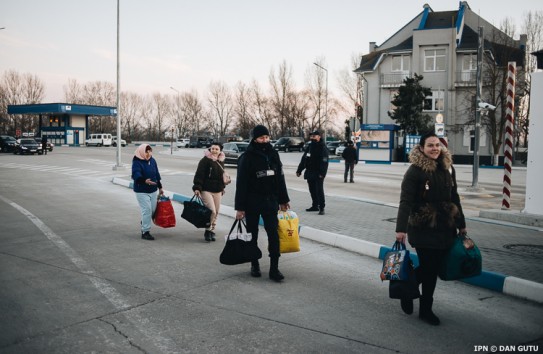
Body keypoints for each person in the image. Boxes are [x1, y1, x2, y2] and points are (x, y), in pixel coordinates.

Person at [395, 132, 467, 326]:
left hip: (445, 228)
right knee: (429, 269)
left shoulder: (447, 168)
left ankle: (406, 290)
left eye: (437, 145)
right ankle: (425, 310)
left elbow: (455, 197)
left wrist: (462, 224)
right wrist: (400, 229)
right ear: (421, 148)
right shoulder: (414, 171)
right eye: (430, 145)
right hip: (423, 227)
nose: (435, 148)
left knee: (431, 269)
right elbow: (405, 201)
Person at [235, 125, 290, 282]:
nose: (265, 140)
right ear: (254, 139)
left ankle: (274, 269)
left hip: (270, 201)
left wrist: (283, 200)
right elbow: (242, 184)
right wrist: (240, 208)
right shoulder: (247, 157)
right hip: (252, 202)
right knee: (252, 234)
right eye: (261, 138)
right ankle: (254, 264)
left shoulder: (273, 154)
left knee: (273, 234)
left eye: (266, 137)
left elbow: (280, 178)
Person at [192, 142, 226, 242]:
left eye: (217, 149)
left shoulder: (221, 161)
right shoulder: (205, 160)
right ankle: (207, 230)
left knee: (217, 212)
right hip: (206, 189)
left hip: (218, 190)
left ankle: (212, 230)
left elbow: (221, 177)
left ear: (220, 151)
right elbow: (199, 175)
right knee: (212, 211)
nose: (214, 151)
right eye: (213, 148)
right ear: (210, 149)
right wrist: (197, 188)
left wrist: (222, 187)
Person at [131, 144, 164, 241]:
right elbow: (136, 174)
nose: (149, 153)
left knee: (153, 211)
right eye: (146, 151)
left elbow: (156, 174)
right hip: (141, 191)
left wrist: (160, 187)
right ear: (141, 152)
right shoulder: (137, 161)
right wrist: (144, 180)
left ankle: (144, 221)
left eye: (150, 151)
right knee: (147, 210)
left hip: (153, 190)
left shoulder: (153, 161)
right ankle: (145, 231)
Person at [296, 130, 329, 215]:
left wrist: (322, 173)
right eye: (311, 136)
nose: (312, 137)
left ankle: (321, 207)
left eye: (314, 136)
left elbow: (324, 161)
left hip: (318, 173)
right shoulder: (310, 147)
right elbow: (304, 159)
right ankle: (315, 205)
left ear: (319, 137)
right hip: (310, 171)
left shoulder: (322, 147)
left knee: (319, 190)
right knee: (312, 190)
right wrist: (299, 170)